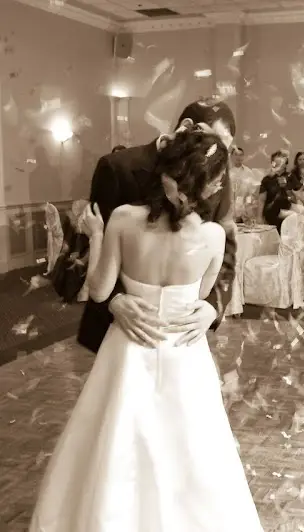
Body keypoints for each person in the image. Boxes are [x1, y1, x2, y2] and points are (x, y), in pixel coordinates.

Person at [29, 129, 263, 531]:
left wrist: (96, 235)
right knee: (191, 443)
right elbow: (200, 294)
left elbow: (99, 290)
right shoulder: (212, 237)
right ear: (208, 184)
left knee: (117, 437)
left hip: (127, 347)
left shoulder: (122, 218)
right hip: (183, 349)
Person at [77, 98, 238, 354]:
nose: (217, 157)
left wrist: (212, 306)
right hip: (122, 329)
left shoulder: (217, 172)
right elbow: (91, 238)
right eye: (213, 141)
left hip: (183, 332)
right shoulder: (117, 167)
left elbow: (227, 250)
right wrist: (114, 300)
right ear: (187, 127)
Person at [257, 149, 301, 232]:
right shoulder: (267, 179)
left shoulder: (291, 177)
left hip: (287, 213)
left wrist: (286, 188)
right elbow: (261, 199)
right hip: (271, 213)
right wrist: (259, 217)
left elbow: (295, 199)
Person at [229, 146, 260, 222]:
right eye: (236, 154)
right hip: (229, 209)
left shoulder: (248, 172)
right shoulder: (227, 172)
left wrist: (248, 205)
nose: (238, 157)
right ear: (231, 156)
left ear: (243, 157)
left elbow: (252, 192)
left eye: (241, 155)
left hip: (244, 210)